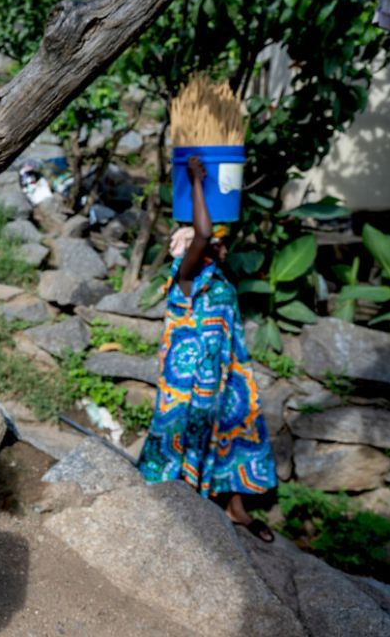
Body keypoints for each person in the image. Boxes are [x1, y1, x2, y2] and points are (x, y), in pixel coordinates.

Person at [137, 155, 277, 543]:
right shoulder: (185, 277)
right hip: (190, 379)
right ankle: (176, 503)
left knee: (236, 429)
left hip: (226, 373)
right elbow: (201, 233)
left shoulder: (217, 279)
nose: (217, 242)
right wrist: (197, 181)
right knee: (182, 432)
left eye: (218, 241)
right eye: (208, 241)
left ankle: (235, 509)